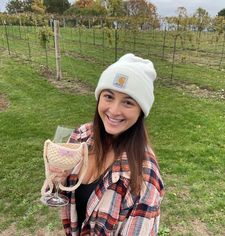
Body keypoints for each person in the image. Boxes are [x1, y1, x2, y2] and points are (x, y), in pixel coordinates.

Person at [54, 53, 164, 235]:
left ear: (140, 112)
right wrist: (58, 181)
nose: (113, 111)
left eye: (128, 102)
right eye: (109, 96)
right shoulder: (83, 135)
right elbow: (62, 195)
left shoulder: (144, 174)